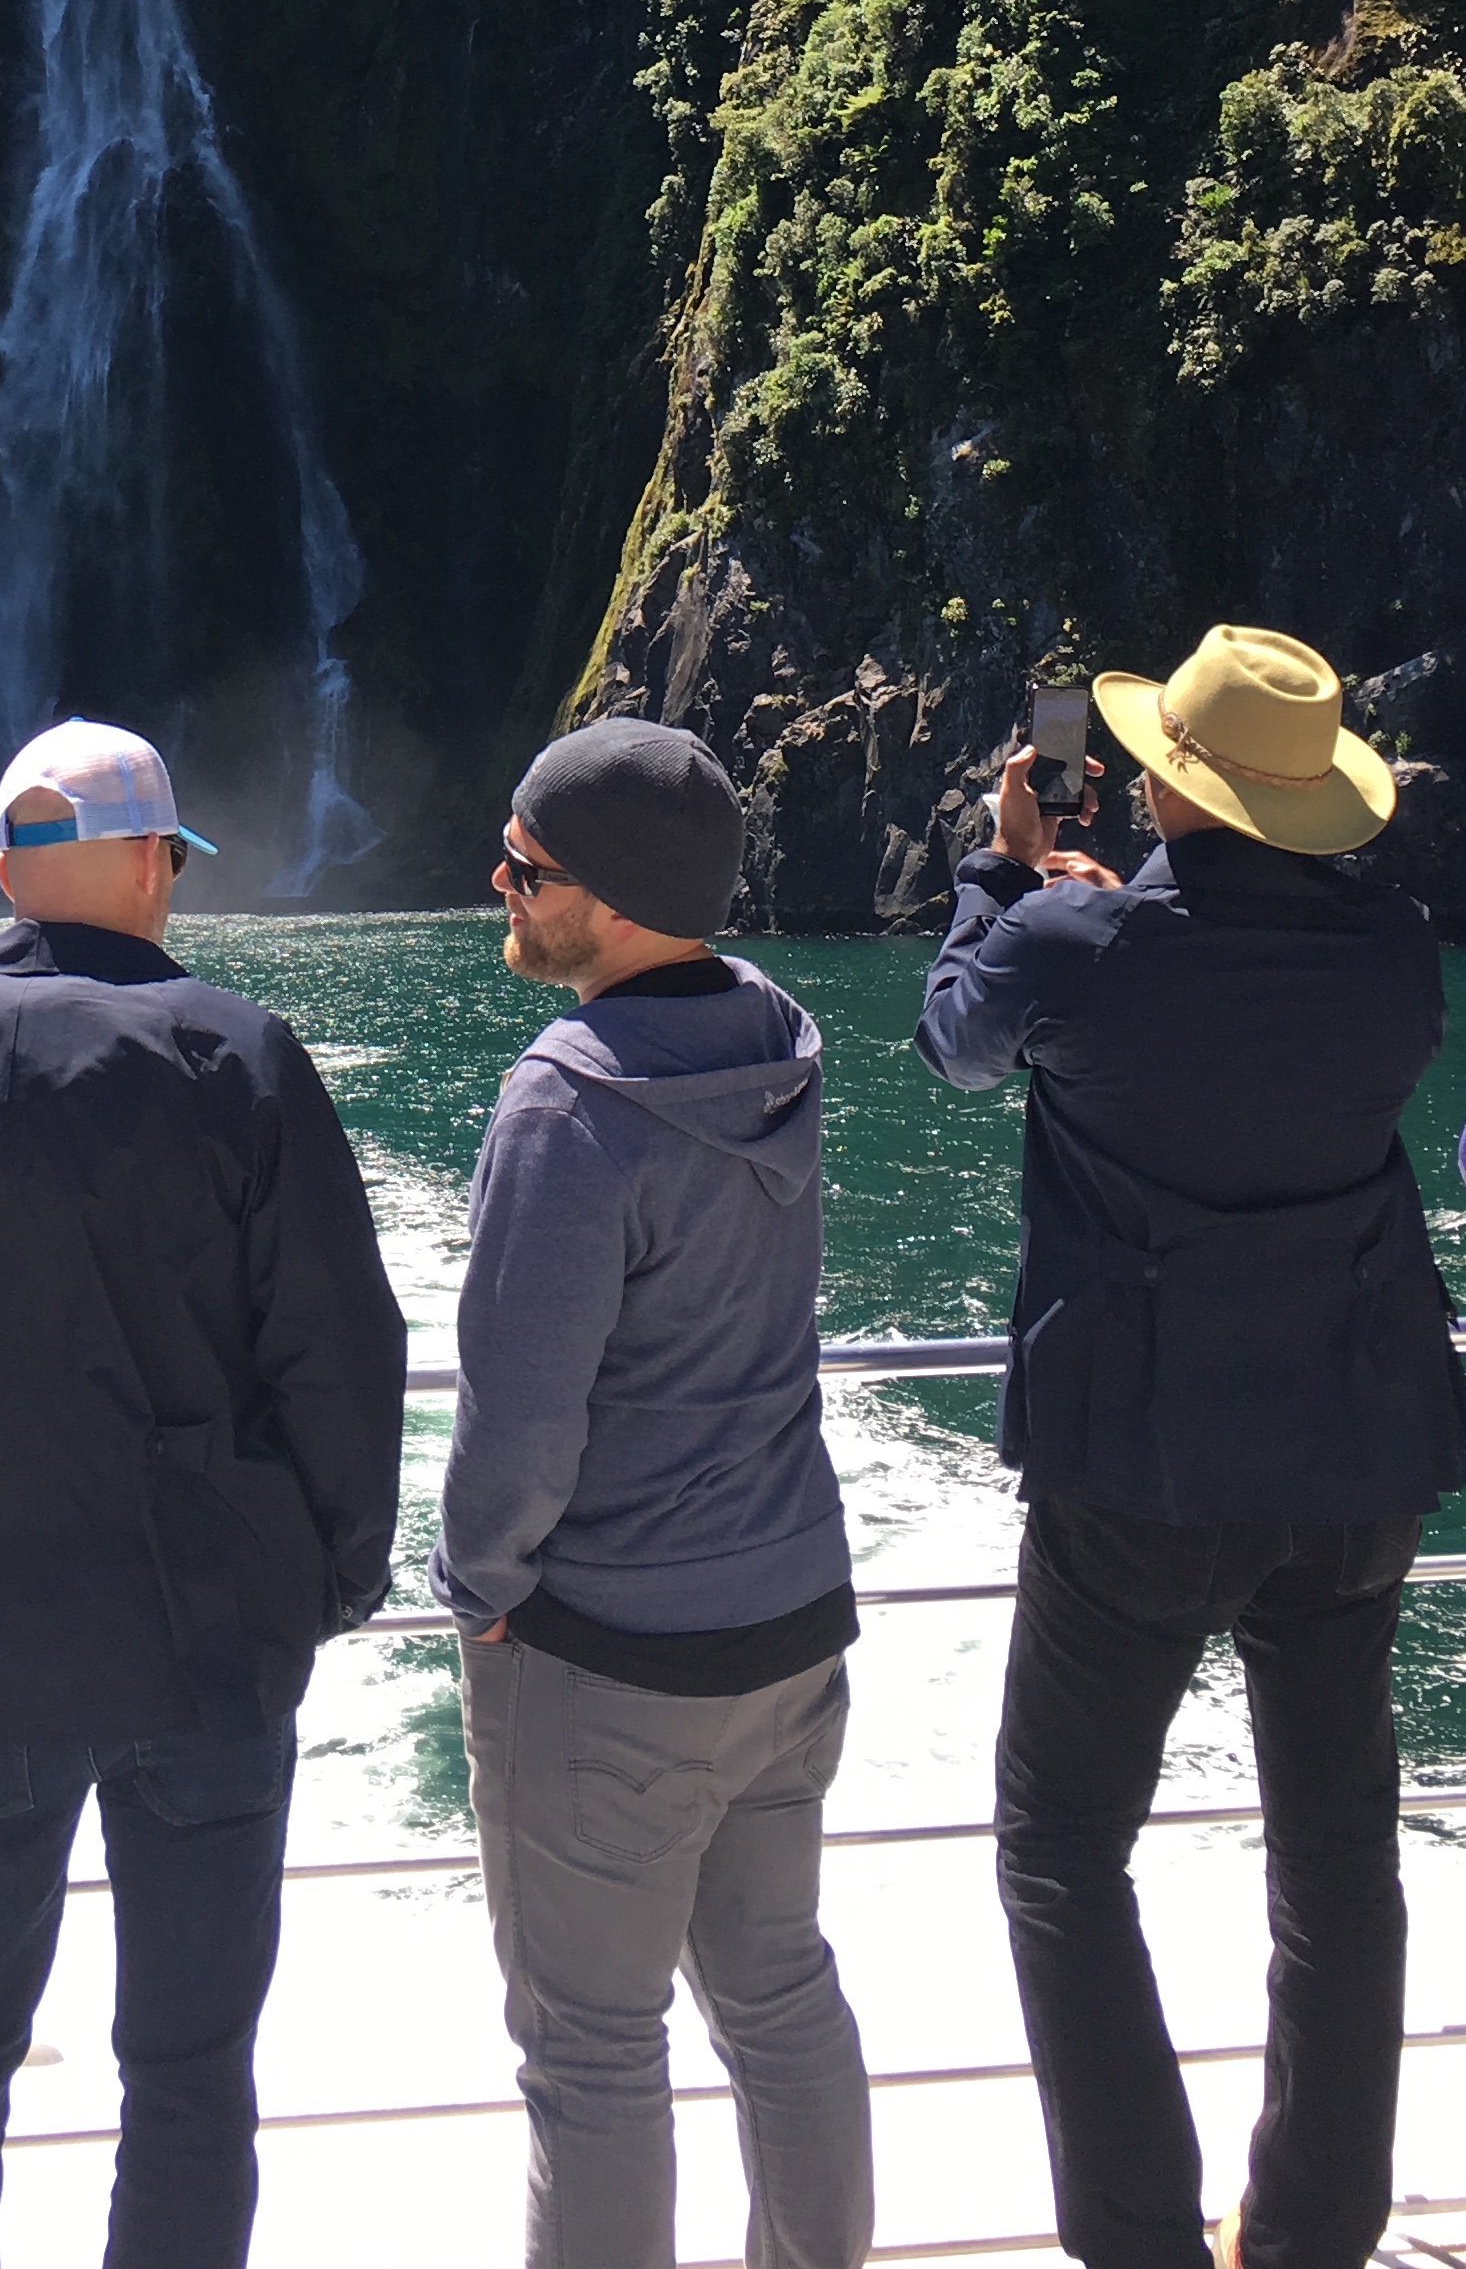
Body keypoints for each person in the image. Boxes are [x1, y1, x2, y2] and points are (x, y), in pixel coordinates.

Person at [0, 715, 406, 2269]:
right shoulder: (238, 1053)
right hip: (206, 1640)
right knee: (188, 2071)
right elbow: (339, 1351)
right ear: (140, 862)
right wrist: (332, 1585)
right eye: (172, 860)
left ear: (4, 875)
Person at [917, 622, 1466, 2269]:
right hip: (1354, 1460)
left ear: (1165, 777)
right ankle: (1307, 2234)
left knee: (1064, 1848)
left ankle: (1140, 2242)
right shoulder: (1397, 953)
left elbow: (955, 1036)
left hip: (1137, 1474)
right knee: (1335, 1863)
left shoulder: (1079, 944)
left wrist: (1004, 880)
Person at [434, 711, 873, 2269]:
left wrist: (476, 1587)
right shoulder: (771, 1039)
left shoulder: (570, 1108)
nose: (499, 881)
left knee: (595, 2051)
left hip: (617, 1658)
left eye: (526, 865)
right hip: (791, 1620)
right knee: (781, 1996)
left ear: (605, 897)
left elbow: (518, 1415)